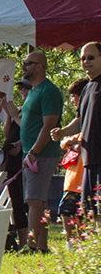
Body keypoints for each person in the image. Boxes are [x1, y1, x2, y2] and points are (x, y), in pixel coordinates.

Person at [16, 49, 64, 255]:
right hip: (30, 152)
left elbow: (48, 126)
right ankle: (42, 247)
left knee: (33, 200)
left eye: (27, 63)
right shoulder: (33, 91)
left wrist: (34, 151)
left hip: (41, 154)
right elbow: (29, 124)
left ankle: (32, 246)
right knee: (39, 201)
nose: (23, 66)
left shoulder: (48, 91)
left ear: (39, 66)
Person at [54, 43, 100, 242]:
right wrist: (63, 132)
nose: (86, 62)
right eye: (83, 58)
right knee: (94, 213)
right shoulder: (88, 87)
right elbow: (81, 121)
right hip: (89, 160)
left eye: (91, 57)